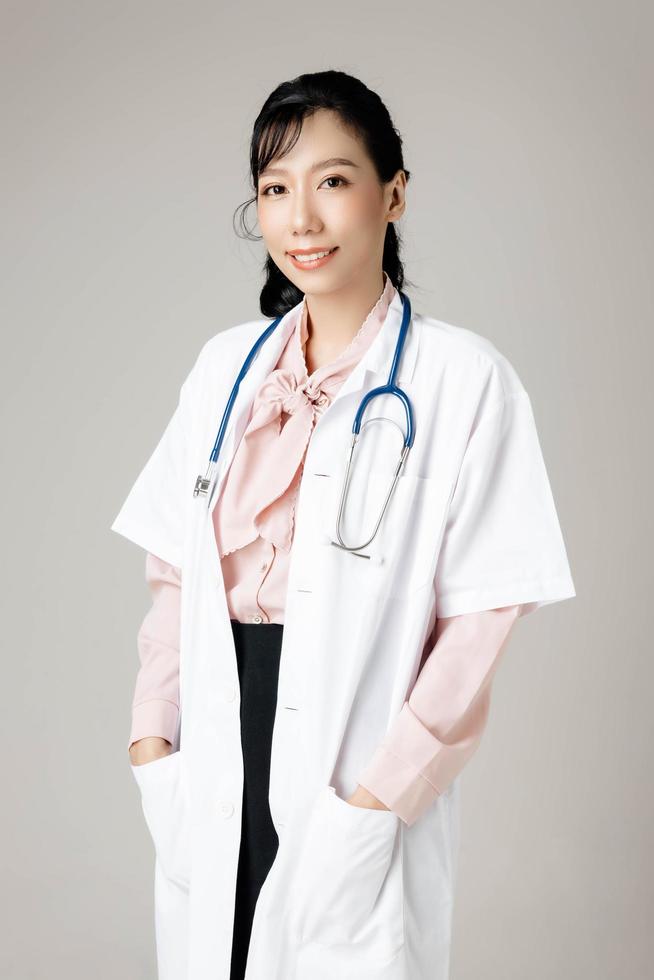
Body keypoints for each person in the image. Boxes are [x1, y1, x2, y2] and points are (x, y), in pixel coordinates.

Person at [112, 70, 576, 980]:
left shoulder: (461, 381)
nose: (301, 219)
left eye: (331, 181)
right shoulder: (223, 372)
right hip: (215, 740)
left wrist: (378, 797)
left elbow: (478, 624)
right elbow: (175, 576)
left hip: (353, 758)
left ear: (393, 192)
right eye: (276, 189)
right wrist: (151, 740)